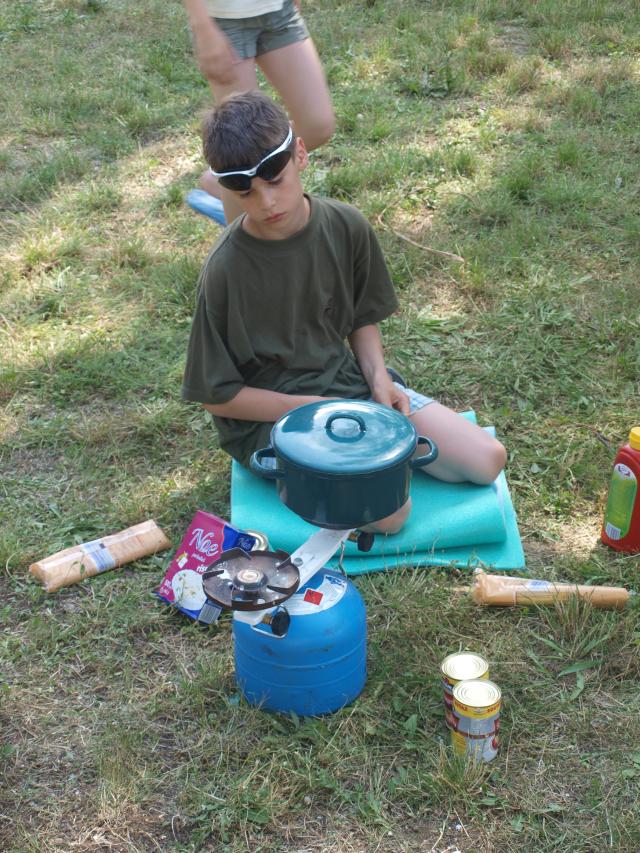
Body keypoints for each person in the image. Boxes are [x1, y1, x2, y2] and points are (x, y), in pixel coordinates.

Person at [181, 92, 507, 534]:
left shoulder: (346, 225)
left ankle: (363, 461)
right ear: (227, 191)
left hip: (347, 388)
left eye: (275, 181)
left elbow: (360, 316)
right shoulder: (225, 270)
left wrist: (379, 380)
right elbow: (216, 395)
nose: (266, 203)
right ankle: (321, 474)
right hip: (273, 419)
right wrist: (311, 407)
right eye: (246, 193)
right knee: (390, 516)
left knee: (487, 460)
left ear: (300, 154)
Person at [182, 0, 334, 225]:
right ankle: (241, 231)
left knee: (317, 124)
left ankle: (224, 183)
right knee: (239, 154)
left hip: (279, 11)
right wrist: (202, 25)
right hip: (224, 20)